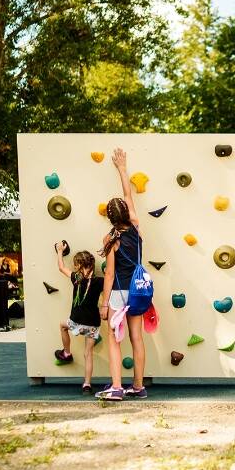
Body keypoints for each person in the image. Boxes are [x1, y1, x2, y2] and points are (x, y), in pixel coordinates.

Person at [96, 148, 148, 402]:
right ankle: (138, 386)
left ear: (110, 218)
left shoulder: (110, 239)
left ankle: (116, 387)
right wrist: (122, 167)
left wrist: (104, 304)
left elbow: (109, 275)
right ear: (126, 213)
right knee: (136, 337)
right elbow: (128, 194)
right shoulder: (136, 226)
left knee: (114, 339)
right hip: (138, 291)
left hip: (117, 294)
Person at [54, 245, 101, 394]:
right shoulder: (99, 281)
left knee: (62, 326)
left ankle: (67, 353)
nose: (74, 267)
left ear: (80, 265)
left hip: (76, 322)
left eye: (75, 265)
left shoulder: (76, 278)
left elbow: (61, 268)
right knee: (88, 355)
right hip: (93, 324)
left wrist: (60, 251)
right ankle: (87, 384)